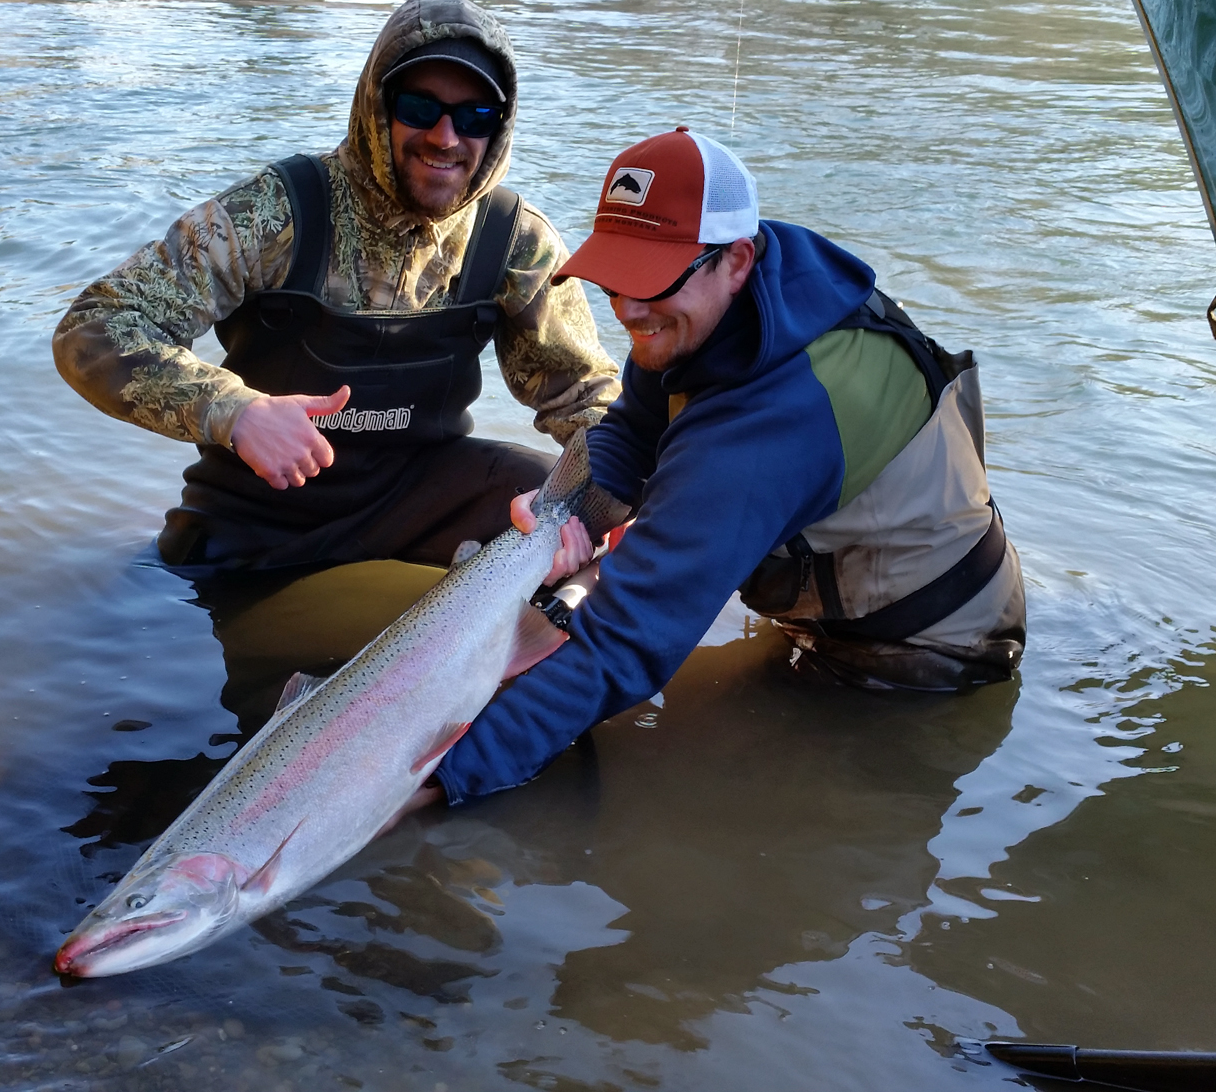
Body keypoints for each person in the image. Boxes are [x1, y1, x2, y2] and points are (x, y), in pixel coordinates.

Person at [434, 127, 1027, 803]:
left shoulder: (764, 428)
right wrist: (566, 518)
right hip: (856, 593)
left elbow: (624, 647)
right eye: (616, 281)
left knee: (713, 810)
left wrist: (434, 781)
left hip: (925, 657)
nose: (629, 311)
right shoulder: (735, 303)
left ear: (737, 260)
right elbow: (631, 430)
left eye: (652, 282)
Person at [52, 0, 619, 571]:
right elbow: (93, 326)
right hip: (259, 515)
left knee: (559, 505)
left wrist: (617, 507)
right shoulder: (274, 214)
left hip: (420, 503)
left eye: (474, 117)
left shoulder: (516, 240)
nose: (446, 138)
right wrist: (234, 411)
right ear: (378, 105)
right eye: (420, 108)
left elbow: (588, 397)